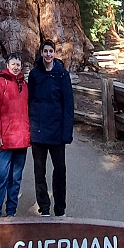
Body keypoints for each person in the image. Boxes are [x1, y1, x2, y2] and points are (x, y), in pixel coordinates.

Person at [28, 39, 74, 217]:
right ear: (41, 53)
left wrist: (66, 133)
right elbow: (30, 100)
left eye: (51, 51)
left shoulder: (62, 75)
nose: (48, 54)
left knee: (60, 171)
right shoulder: (35, 75)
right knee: (39, 172)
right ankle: (44, 208)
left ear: (54, 53)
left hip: (57, 132)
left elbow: (68, 105)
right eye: (45, 51)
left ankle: (60, 209)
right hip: (38, 131)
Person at [0, 53, 30, 218]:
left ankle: (11, 212)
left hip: (21, 139)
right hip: (4, 141)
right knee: (1, 177)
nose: (16, 67)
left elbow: (28, 111)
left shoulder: (24, 85)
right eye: (13, 64)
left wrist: (28, 134)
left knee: (16, 179)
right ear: (7, 65)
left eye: (18, 64)